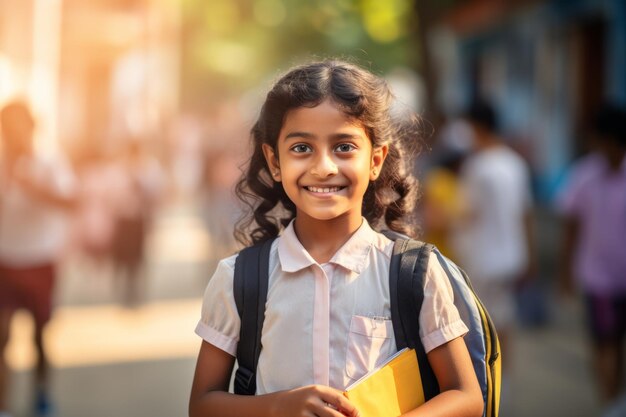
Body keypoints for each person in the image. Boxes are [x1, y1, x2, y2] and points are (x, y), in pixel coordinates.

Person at [189, 60, 483, 417]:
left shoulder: (413, 273)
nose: (324, 167)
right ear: (274, 160)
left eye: (344, 147)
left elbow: (466, 396)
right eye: (301, 148)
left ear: (376, 160)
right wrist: (280, 405)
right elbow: (202, 405)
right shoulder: (239, 279)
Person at [0, 101, 76, 417]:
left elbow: (72, 201)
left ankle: (41, 395)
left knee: (38, 334)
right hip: (5, 261)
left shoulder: (50, 161)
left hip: (40, 259)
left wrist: (35, 189)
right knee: (1, 334)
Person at [451, 99, 535, 377]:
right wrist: (529, 255)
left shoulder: (477, 167)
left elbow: (466, 212)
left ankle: (486, 385)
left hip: (482, 259)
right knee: (504, 322)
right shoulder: (515, 163)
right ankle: (504, 385)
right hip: (511, 256)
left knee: (477, 327)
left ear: (477, 128)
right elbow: (525, 213)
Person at [557, 103, 626, 410]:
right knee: (604, 345)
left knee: (615, 349)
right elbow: (571, 227)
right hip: (598, 280)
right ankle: (610, 404)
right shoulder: (585, 175)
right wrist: (566, 273)